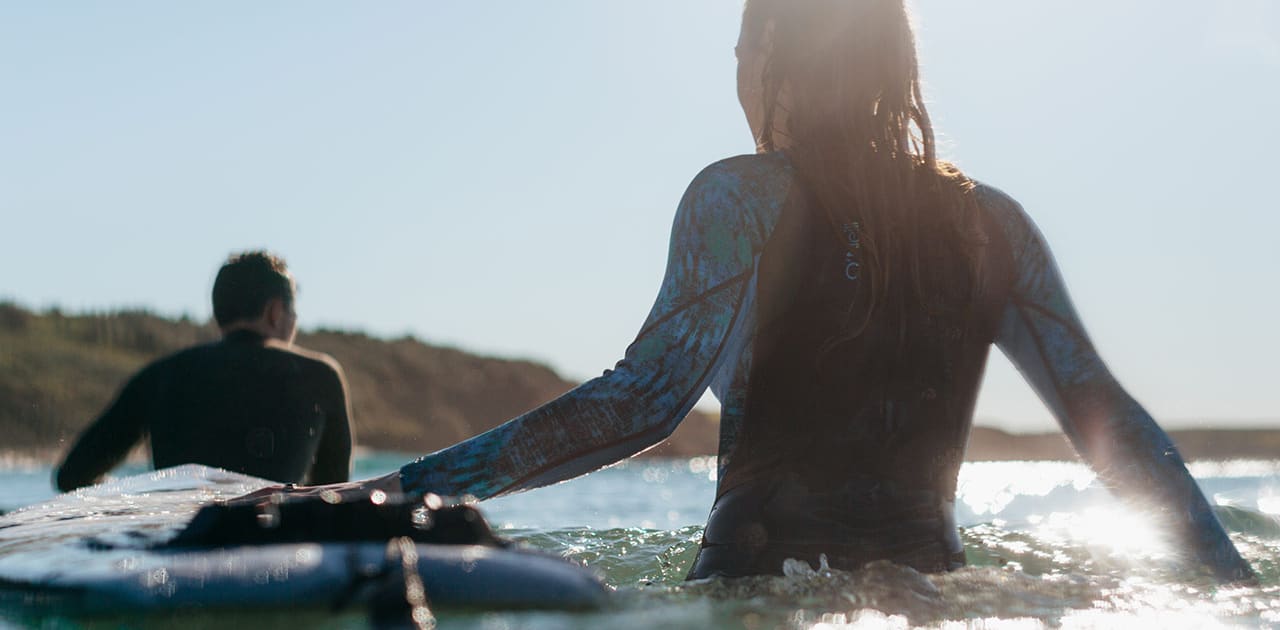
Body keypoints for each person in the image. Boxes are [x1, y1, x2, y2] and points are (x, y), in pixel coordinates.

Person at [256, 0, 1253, 581]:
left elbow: (636, 405)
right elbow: (1113, 431)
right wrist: (1233, 587)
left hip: (760, 585)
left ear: (778, 57)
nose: (736, 74)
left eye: (741, 48)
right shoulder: (989, 222)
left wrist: (390, 494)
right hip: (932, 590)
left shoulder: (740, 198)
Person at [55, 251, 354, 492]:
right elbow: (334, 495)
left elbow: (71, 477)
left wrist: (142, 501)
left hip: (181, 547)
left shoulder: (160, 375)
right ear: (275, 312)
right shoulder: (319, 375)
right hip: (278, 549)